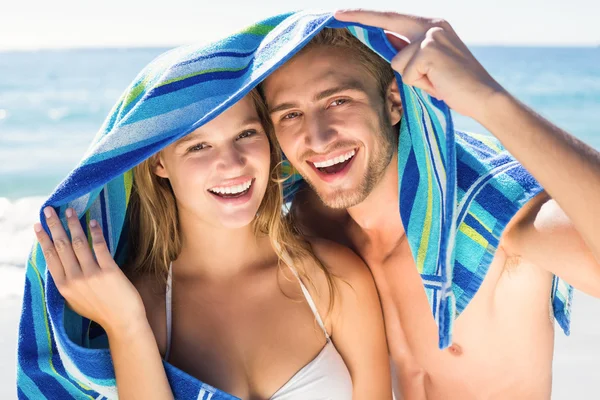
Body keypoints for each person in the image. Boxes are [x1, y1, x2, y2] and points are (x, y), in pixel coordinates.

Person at [261, 9, 600, 400]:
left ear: (393, 101)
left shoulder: (492, 216)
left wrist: (489, 101)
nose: (317, 139)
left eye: (338, 101)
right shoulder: (312, 221)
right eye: (291, 114)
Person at [33, 90, 392, 399]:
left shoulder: (334, 278)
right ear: (159, 161)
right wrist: (127, 326)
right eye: (199, 146)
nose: (232, 163)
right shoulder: (139, 304)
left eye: (246, 133)